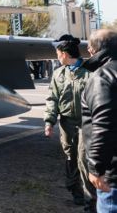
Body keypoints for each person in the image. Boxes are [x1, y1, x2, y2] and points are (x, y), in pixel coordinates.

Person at [44, 35, 94, 209]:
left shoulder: (89, 73)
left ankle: (90, 198)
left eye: (58, 53)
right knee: (70, 157)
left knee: (83, 158)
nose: (57, 57)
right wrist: (49, 121)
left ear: (64, 53)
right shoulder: (58, 74)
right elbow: (52, 99)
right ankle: (76, 192)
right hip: (66, 123)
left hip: (86, 123)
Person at [81, 29, 117, 212]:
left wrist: (96, 167)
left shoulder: (102, 77)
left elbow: (104, 125)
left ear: (94, 49)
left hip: (113, 175)